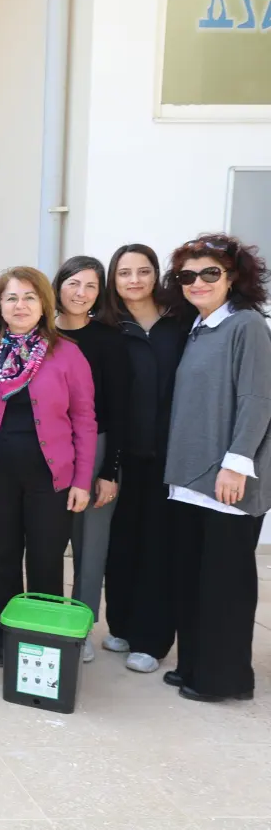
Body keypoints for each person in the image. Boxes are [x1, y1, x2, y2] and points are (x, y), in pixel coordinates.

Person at [0, 267, 96, 667]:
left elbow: (85, 420)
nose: (20, 305)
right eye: (11, 298)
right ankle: (6, 638)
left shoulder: (68, 354)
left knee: (46, 562)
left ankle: (43, 641)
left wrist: (82, 480)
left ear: (44, 305)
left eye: (29, 297)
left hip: (51, 480)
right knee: (2, 559)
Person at [161, 234, 271, 703]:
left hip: (228, 480)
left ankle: (223, 678)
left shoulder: (247, 325)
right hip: (189, 478)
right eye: (188, 275)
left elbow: (258, 399)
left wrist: (236, 465)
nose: (198, 282)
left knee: (225, 586)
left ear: (232, 276)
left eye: (210, 273)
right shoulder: (199, 327)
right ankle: (192, 665)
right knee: (192, 579)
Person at [103, 244, 187, 675]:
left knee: (159, 547)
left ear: (156, 275)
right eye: (124, 273)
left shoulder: (181, 322)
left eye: (143, 271)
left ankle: (151, 640)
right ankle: (120, 624)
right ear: (113, 280)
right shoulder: (110, 327)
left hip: (171, 457)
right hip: (125, 455)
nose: (134, 280)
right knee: (122, 544)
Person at [52, 256, 130, 663]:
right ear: (58, 285)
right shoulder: (41, 333)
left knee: (90, 547)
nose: (80, 293)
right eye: (73, 283)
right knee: (47, 542)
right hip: (47, 448)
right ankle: (46, 620)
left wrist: (109, 471)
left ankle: (80, 628)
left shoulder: (109, 340)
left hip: (96, 448)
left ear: (100, 293)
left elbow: (118, 411)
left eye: (91, 286)